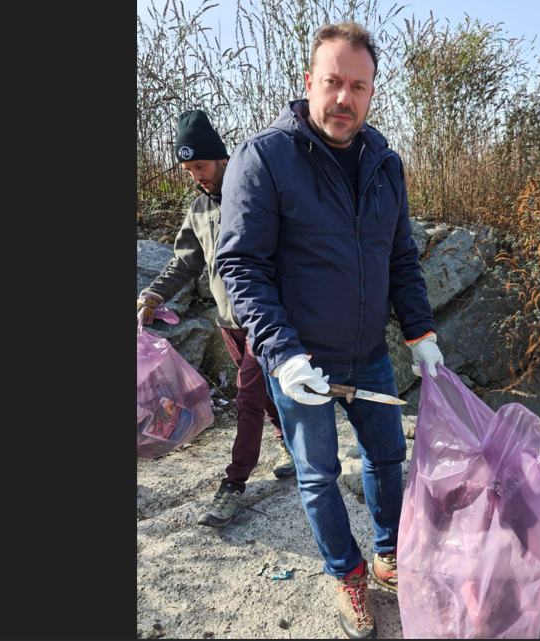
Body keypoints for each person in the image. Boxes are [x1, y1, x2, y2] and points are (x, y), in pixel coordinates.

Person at [216, 22, 444, 639]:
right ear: (309, 83)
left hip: (368, 352)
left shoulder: (385, 163)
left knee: (388, 456)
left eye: (358, 86)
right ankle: (347, 573)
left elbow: (399, 257)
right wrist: (282, 354)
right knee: (317, 474)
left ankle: (389, 552)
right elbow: (240, 264)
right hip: (299, 361)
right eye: (333, 82)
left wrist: (420, 334)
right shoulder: (264, 157)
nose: (344, 98)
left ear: (372, 93)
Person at [137, 110, 295, 529]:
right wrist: (155, 293)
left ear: (222, 158)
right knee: (261, 397)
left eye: (201, 166)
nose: (195, 176)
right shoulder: (200, 208)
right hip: (229, 323)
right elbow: (185, 262)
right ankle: (290, 444)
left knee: (246, 398)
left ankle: (234, 484)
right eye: (188, 169)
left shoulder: (256, 194)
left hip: (264, 320)